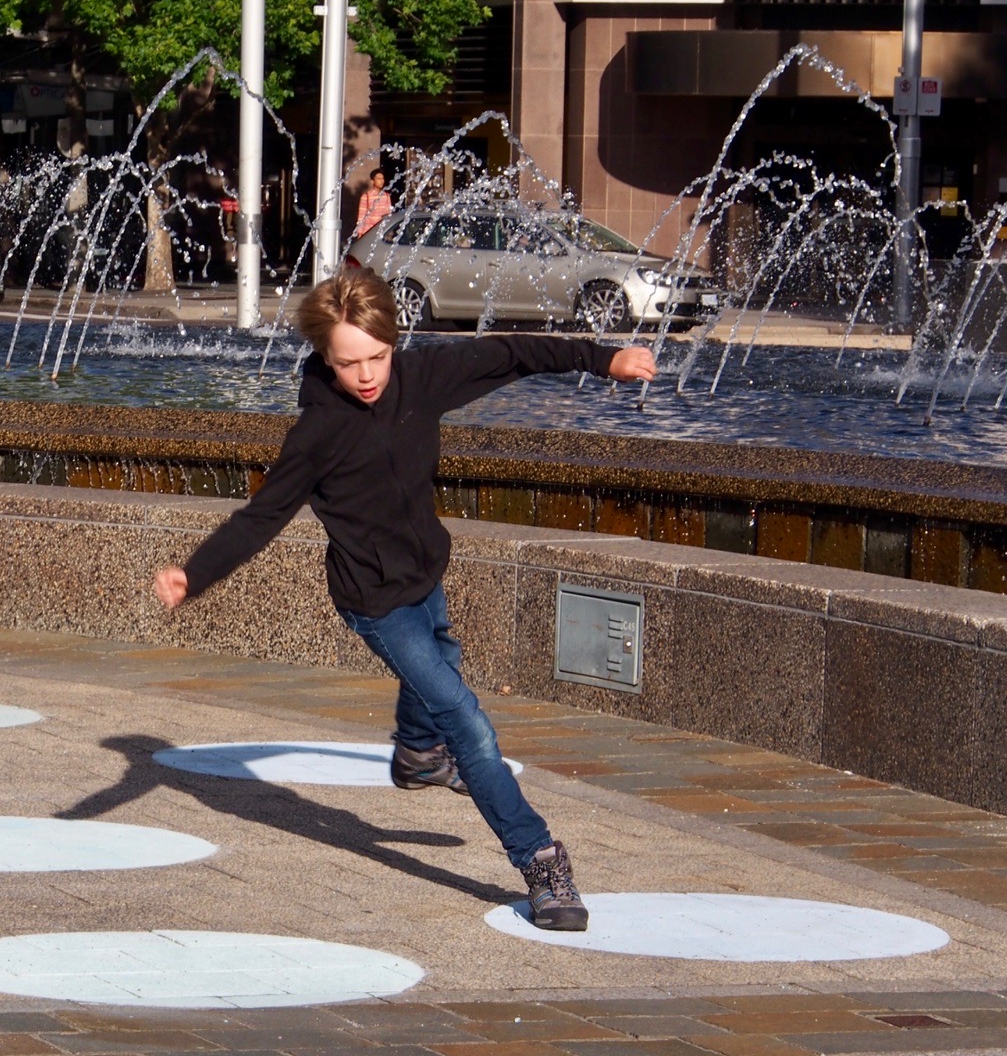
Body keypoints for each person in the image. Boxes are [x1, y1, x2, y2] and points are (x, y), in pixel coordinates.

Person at [151, 265, 656, 930]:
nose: (365, 375)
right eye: (348, 363)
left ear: (394, 343)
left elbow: (513, 351)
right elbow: (260, 516)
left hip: (425, 573)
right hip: (373, 602)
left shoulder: (421, 378)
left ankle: (417, 754)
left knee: (441, 658)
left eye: (377, 357)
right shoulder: (318, 434)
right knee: (467, 721)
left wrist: (603, 359)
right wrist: (195, 573)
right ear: (324, 359)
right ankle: (538, 857)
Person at [355, 168, 393, 238]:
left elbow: (389, 214)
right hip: (369, 231)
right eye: (379, 179)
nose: (382, 181)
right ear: (372, 181)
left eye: (382, 179)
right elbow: (361, 216)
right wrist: (360, 232)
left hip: (382, 231)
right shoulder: (366, 196)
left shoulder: (386, 196)